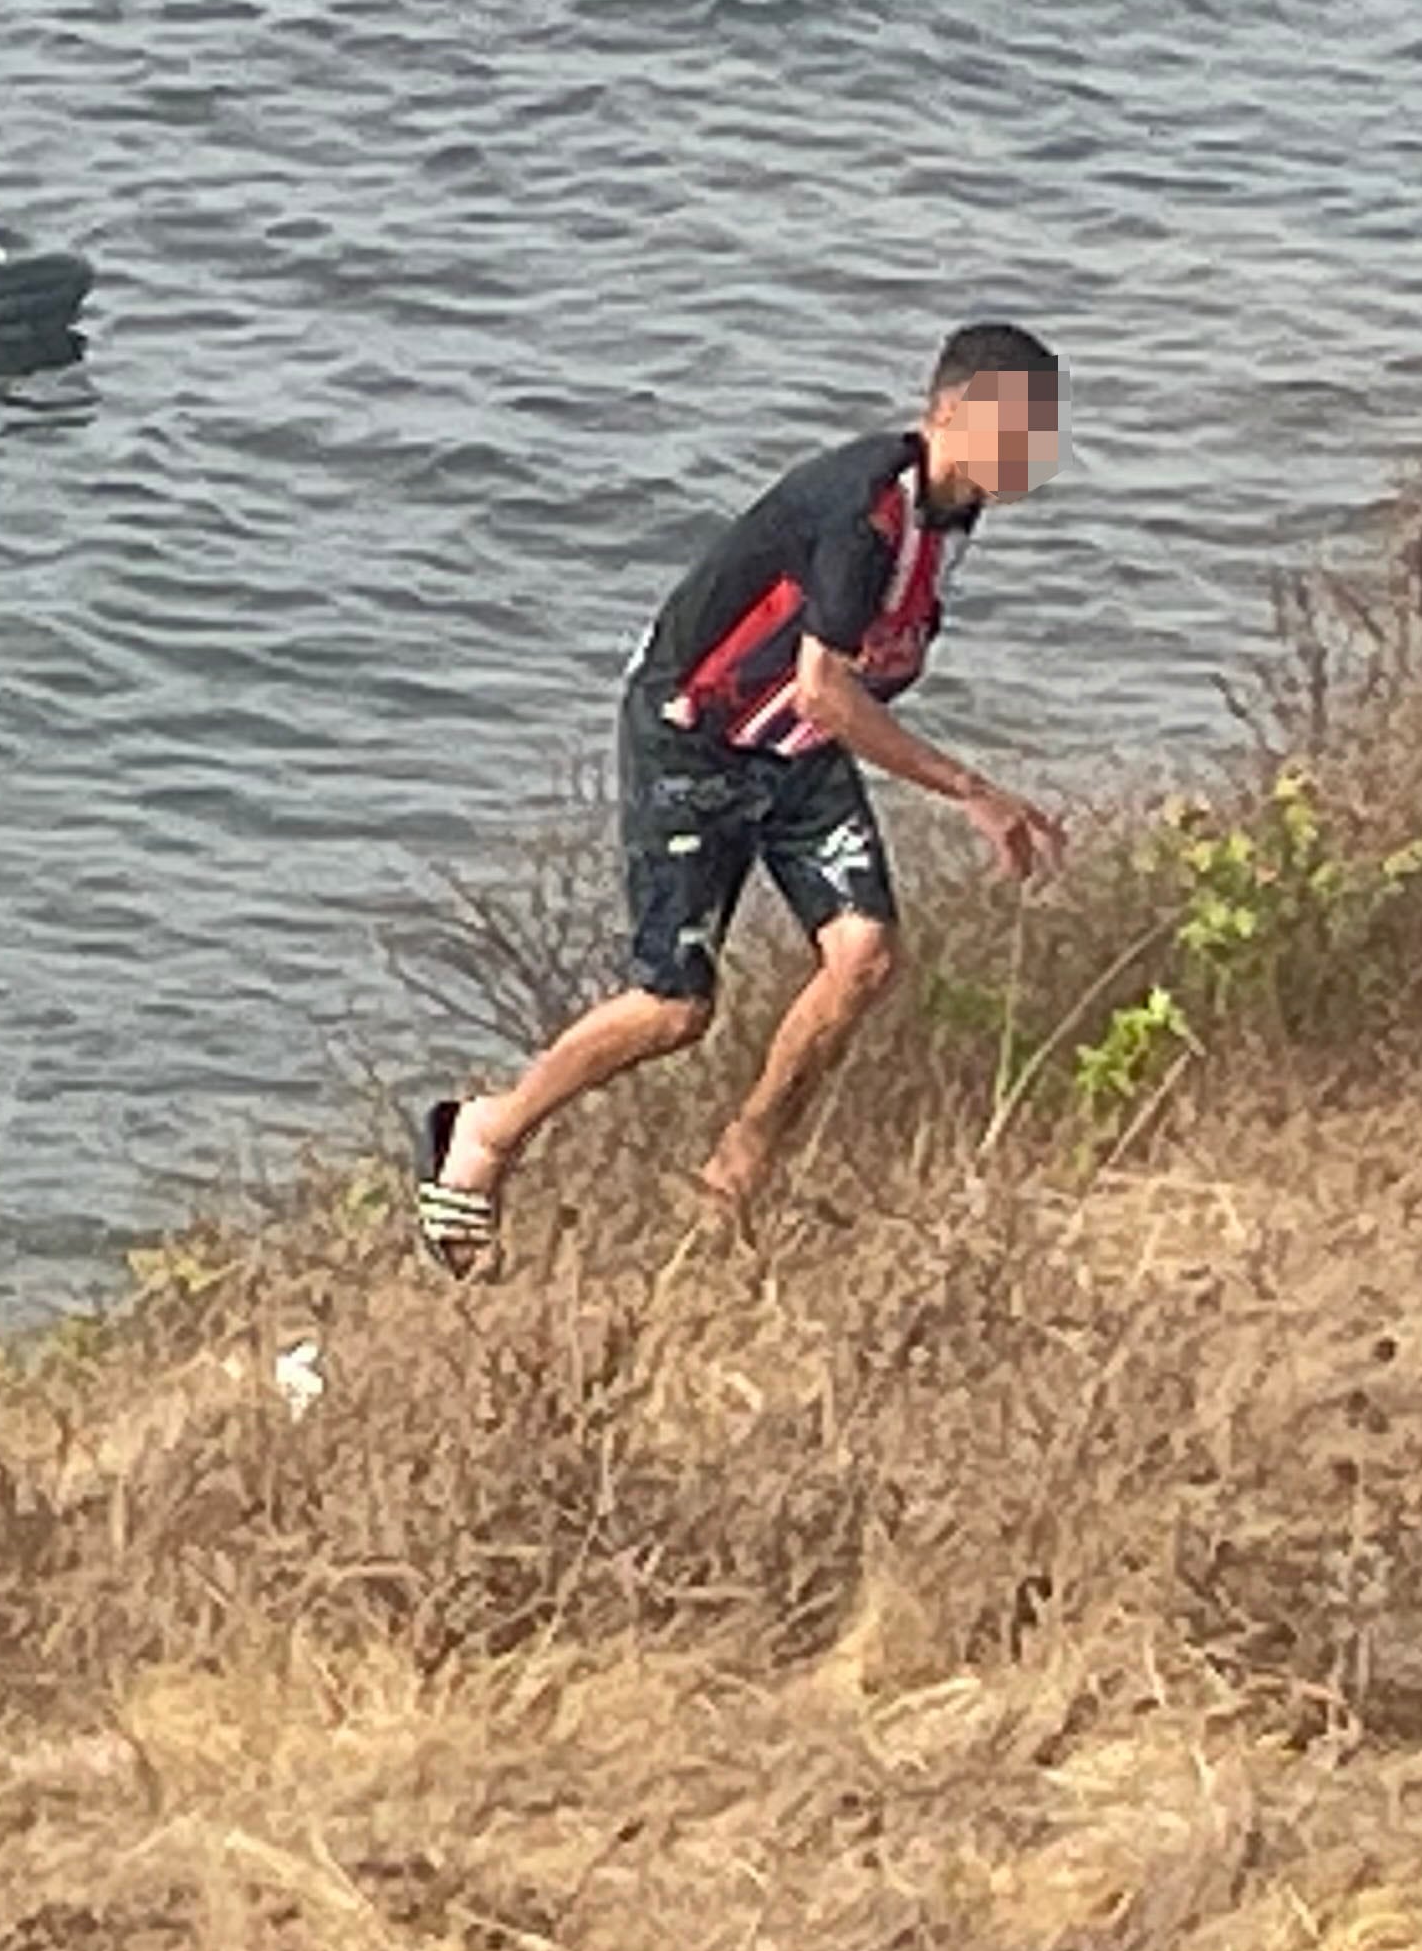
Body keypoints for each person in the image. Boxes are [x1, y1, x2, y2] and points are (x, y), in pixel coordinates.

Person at [412, 321, 1073, 1275]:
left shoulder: (955, 508)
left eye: (1040, 432)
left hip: (794, 749)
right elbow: (825, 691)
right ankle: (482, 1134)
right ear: (946, 414)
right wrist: (974, 792)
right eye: (1013, 429)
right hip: (696, 733)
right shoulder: (865, 515)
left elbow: (835, 692)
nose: (1029, 453)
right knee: (674, 1007)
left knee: (865, 957)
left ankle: (737, 1173)